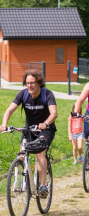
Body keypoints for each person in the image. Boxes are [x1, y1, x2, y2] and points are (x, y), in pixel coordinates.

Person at [0, 69, 57, 198]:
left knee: (39, 152)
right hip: (29, 129)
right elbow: (9, 110)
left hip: (46, 129)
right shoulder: (23, 94)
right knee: (21, 154)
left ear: (39, 83)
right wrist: (4, 124)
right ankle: (24, 177)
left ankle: (43, 186)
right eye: (27, 83)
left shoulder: (47, 94)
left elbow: (54, 113)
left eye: (32, 83)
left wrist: (46, 124)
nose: (29, 85)